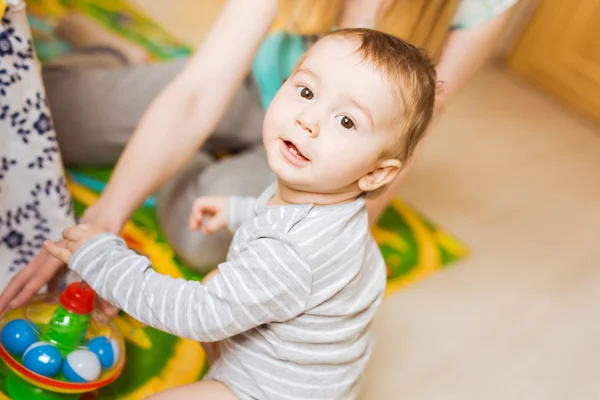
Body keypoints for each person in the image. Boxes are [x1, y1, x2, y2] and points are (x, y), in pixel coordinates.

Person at [0, 0, 519, 313]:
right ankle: (121, 57)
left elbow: (402, 148)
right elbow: (200, 90)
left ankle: (183, 143)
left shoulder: (483, 7)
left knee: (200, 236)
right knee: (46, 115)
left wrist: (340, 260)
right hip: (257, 87)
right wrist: (103, 218)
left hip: (328, 155)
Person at [42, 27, 437, 399]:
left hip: (266, 392)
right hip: (316, 378)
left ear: (375, 173)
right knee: (221, 278)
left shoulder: (292, 253)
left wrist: (104, 261)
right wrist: (238, 211)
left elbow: (196, 315)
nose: (309, 120)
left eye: (346, 121)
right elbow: (280, 221)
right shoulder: (329, 204)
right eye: (305, 91)